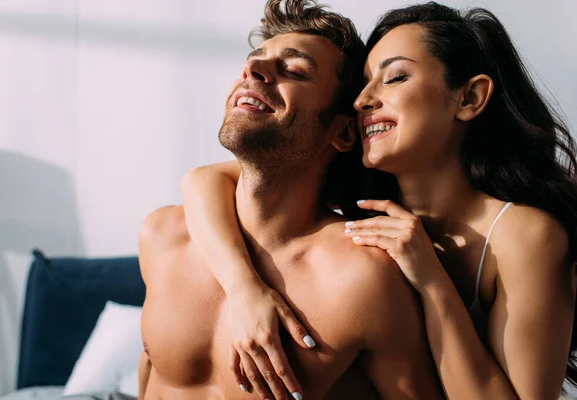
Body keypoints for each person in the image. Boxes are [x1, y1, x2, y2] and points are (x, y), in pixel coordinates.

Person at [180, 2, 577, 399]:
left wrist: (432, 281)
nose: (362, 101)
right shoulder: (366, 202)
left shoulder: (526, 237)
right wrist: (244, 287)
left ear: (470, 98)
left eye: (395, 78)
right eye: (364, 85)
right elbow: (205, 180)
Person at [137, 0, 443, 399]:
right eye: (255, 60)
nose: (253, 71)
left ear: (343, 133)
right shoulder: (162, 236)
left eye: (294, 70)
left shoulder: (363, 278)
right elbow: (147, 374)